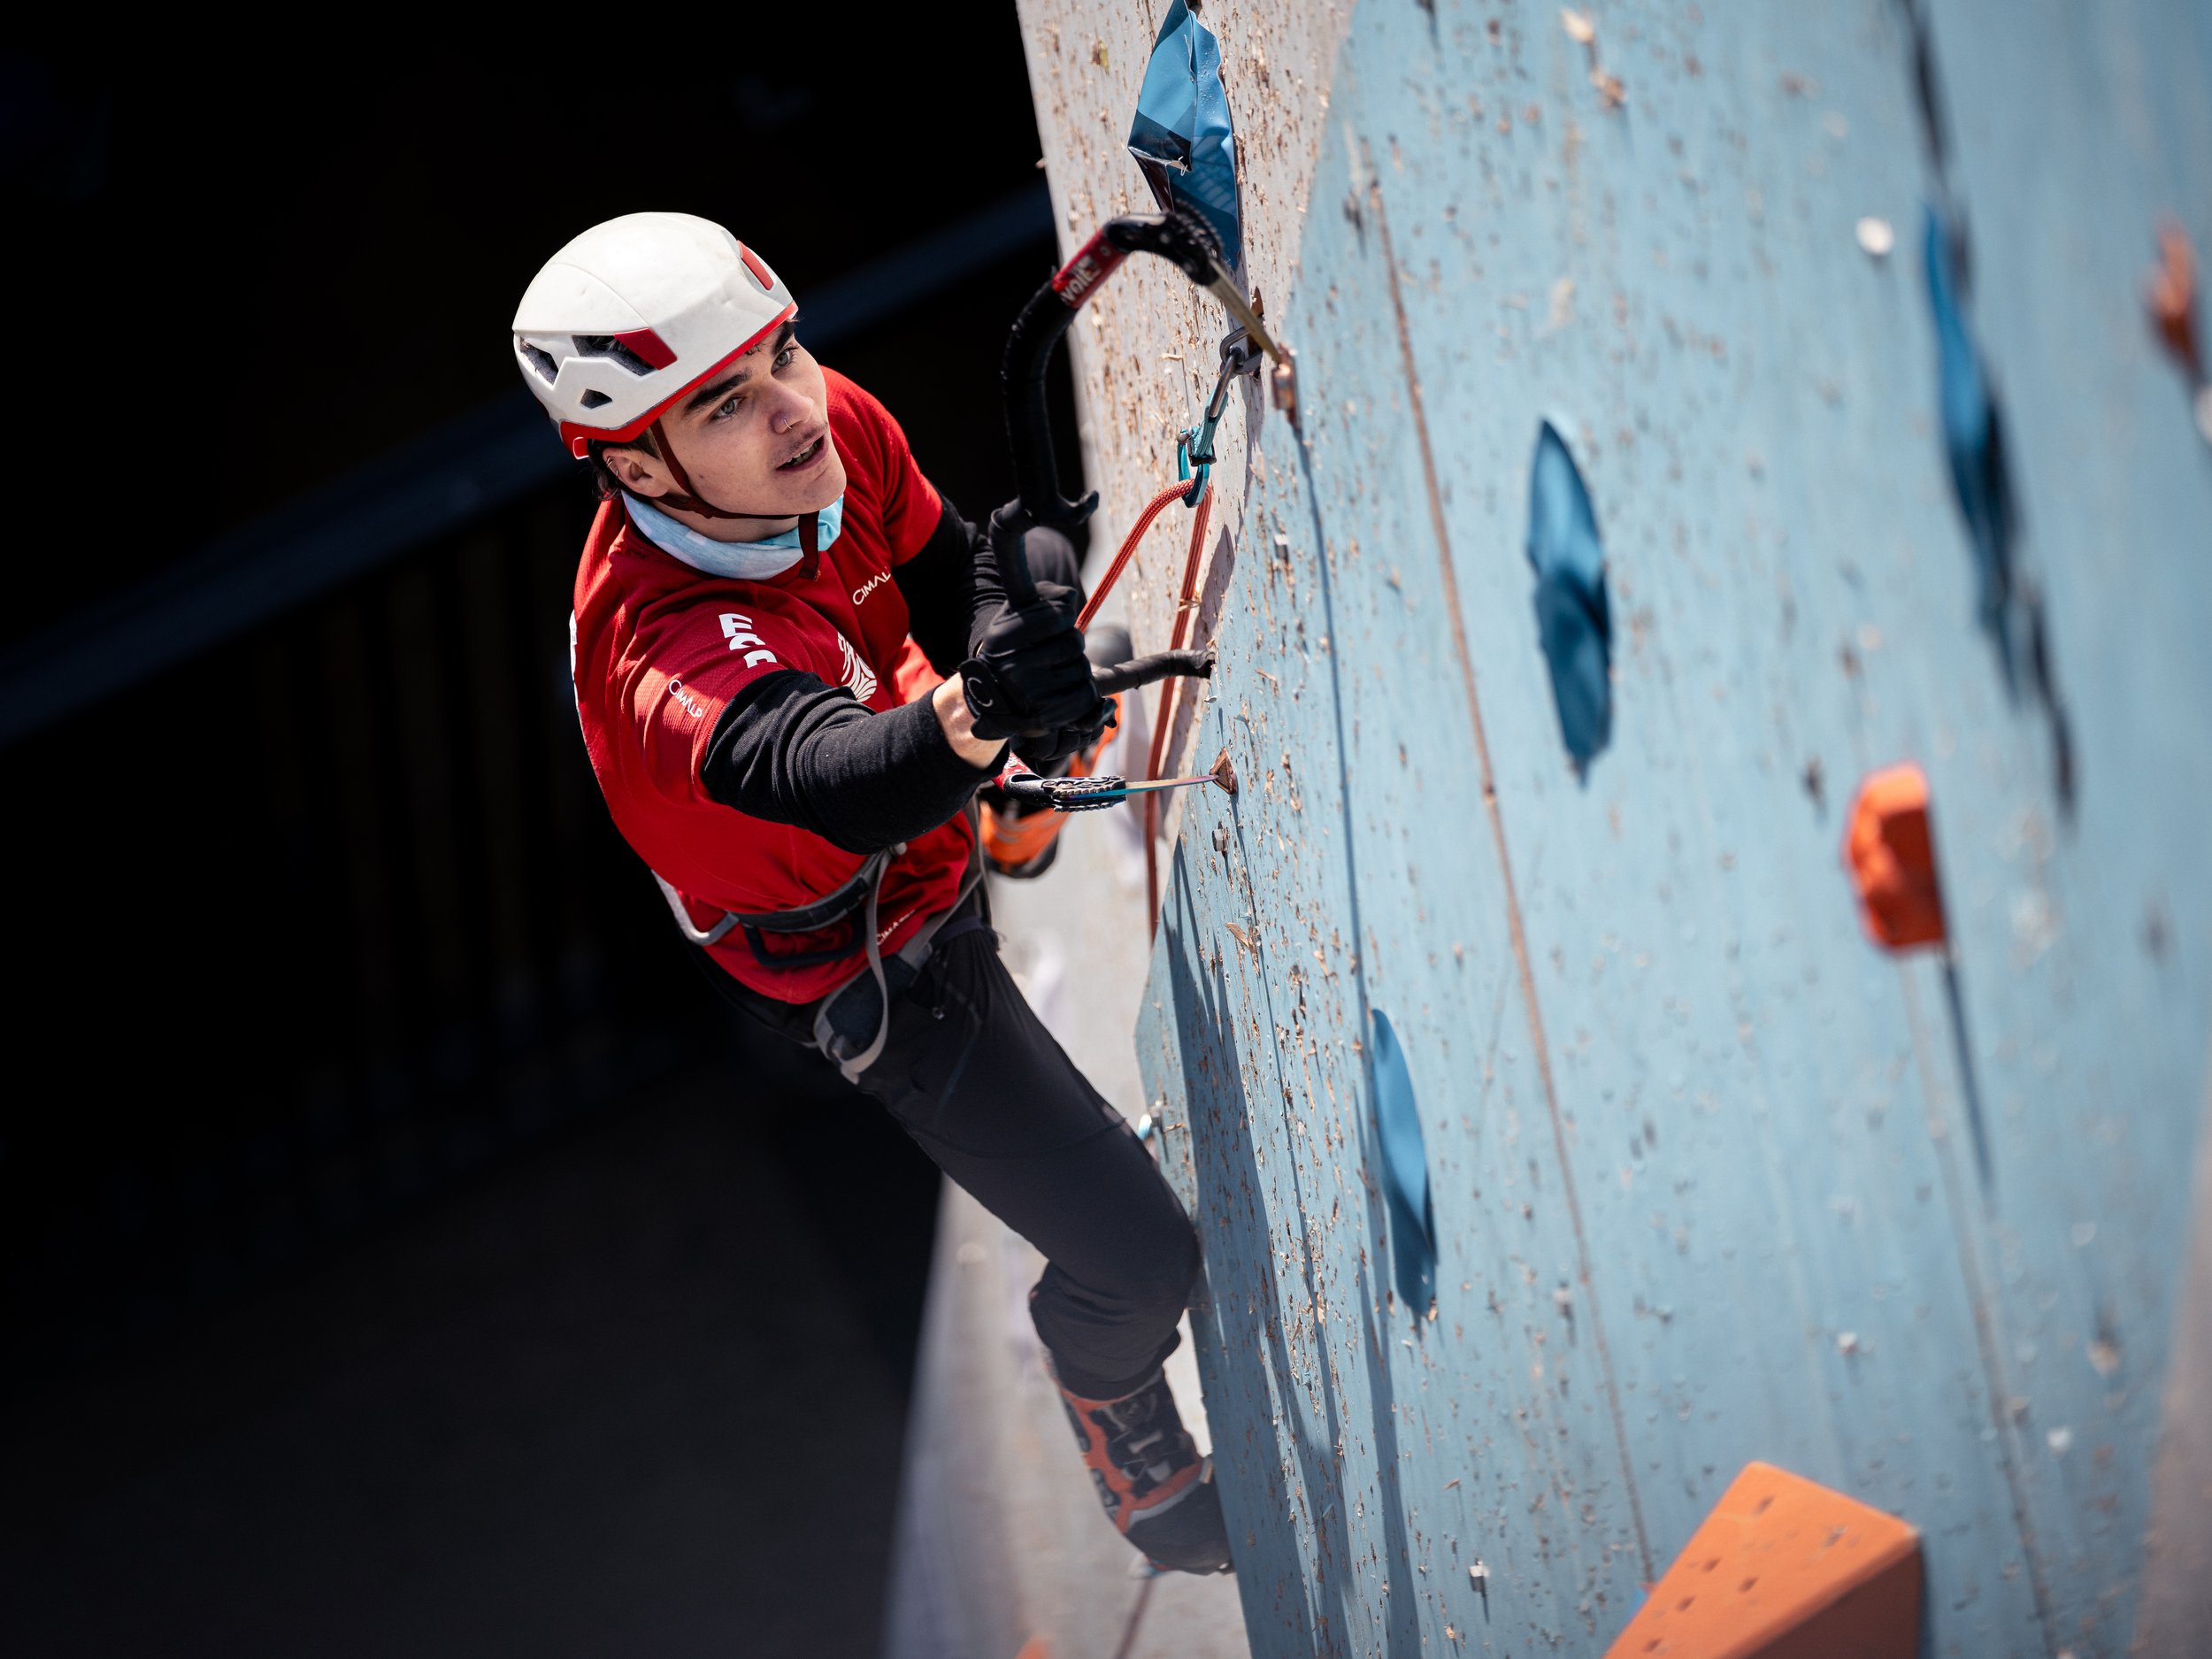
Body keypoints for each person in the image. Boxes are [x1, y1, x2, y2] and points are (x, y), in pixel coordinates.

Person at [511, 211, 1232, 1574]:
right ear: (634, 465)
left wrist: (1020, 608)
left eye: (782, 351)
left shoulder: (810, 423)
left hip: (898, 777)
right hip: (866, 953)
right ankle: (1112, 1406)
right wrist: (988, 713)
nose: (792, 409)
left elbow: (949, 562)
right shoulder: (660, 662)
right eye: (725, 403)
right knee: (1139, 1262)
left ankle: (1002, 801)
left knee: (1045, 671)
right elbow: (834, 776)